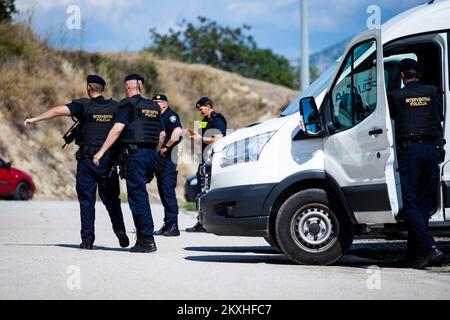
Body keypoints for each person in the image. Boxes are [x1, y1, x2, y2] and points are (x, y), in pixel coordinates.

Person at [23, 75, 129, 250]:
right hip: (108, 160)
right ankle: (120, 231)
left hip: (87, 160)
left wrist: (34, 119)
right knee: (111, 200)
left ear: (88, 87)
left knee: (87, 200)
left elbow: (57, 111)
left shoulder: (83, 105)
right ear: (102, 89)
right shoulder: (115, 106)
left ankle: (87, 241)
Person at [93, 74, 165, 253]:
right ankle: (144, 237)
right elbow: (162, 135)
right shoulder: (153, 107)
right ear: (140, 86)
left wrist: (101, 151)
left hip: (136, 154)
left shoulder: (128, 104)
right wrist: (154, 154)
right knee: (141, 194)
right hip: (150, 154)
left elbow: (117, 129)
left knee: (137, 196)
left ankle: (146, 239)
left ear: (127, 86)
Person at [388, 58, 445, 269]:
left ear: (403, 75)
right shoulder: (433, 92)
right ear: (419, 74)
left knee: (409, 206)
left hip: (410, 152)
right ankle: (414, 256)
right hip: (431, 151)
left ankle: (430, 248)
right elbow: (439, 116)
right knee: (422, 206)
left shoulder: (396, 96)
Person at [186, 97, 227, 233]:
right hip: (204, 160)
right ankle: (201, 221)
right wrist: (197, 137)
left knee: (208, 191)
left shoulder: (217, 119)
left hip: (213, 160)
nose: (200, 111)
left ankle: (208, 222)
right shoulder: (204, 122)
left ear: (208, 106)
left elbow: (218, 139)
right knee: (201, 191)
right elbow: (204, 139)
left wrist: (200, 138)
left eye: (201, 108)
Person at [152, 94, 183, 237]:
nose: (156, 104)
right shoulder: (158, 116)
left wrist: (166, 147)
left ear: (164, 103)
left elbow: (177, 132)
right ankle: (168, 224)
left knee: (168, 192)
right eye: (154, 102)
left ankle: (173, 226)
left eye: (158, 102)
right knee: (163, 193)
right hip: (160, 160)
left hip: (168, 160)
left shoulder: (171, 115)